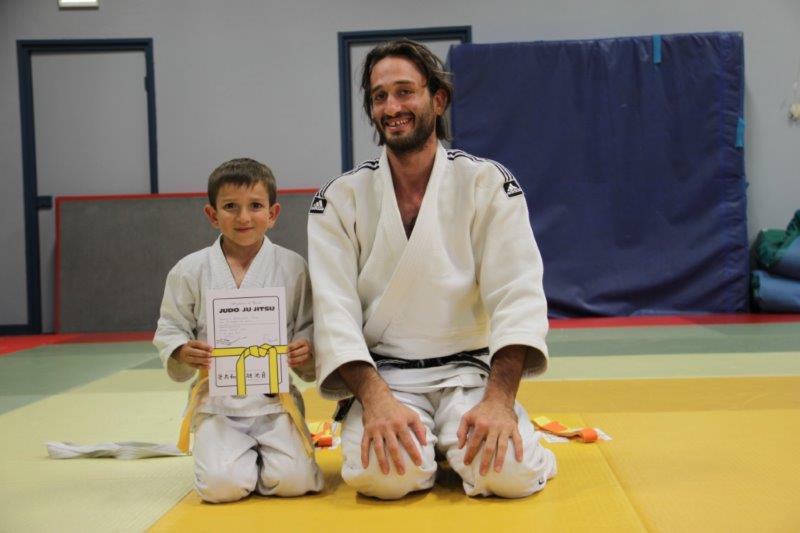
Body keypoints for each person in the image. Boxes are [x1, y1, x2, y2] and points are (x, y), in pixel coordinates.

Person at [307, 39, 556, 500]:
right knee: (383, 478)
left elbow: (517, 295)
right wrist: (375, 402)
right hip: (386, 378)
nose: (391, 107)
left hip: (471, 373)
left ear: (437, 100)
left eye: (405, 92)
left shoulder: (486, 183)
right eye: (379, 96)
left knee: (510, 475)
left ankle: (495, 441)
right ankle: (433, 447)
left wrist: (499, 402)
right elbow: (333, 310)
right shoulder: (340, 199)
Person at [154, 158, 323, 503]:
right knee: (222, 487)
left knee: (294, 482)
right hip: (218, 404)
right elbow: (170, 326)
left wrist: (305, 346)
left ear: (273, 213)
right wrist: (182, 351)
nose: (244, 217)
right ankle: (233, 459)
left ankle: (260, 460)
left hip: (275, 401)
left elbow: (309, 323)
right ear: (212, 214)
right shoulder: (190, 270)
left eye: (255, 206)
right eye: (230, 206)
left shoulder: (293, 267)